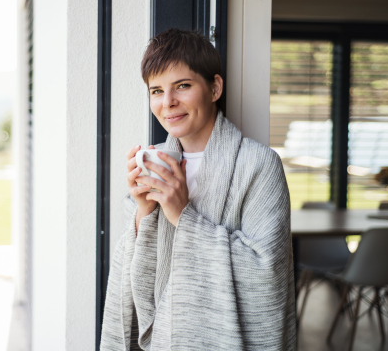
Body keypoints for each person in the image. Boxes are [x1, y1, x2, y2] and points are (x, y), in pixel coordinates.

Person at [100, 28, 296, 350]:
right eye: (156, 91)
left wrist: (181, 214)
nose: (168, 103)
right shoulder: (154, 164)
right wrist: (143, 213)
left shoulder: (259, 165)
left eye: (183, 86)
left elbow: (267, 274)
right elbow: (134, 278)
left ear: (215, 88)